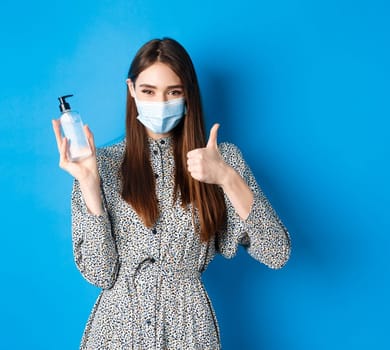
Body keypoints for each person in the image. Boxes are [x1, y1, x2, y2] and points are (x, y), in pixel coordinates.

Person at [51, 37, 291, 349]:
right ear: (132, 90)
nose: (160, 102)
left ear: (188, 94)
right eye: (148, 91)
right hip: (116, 333)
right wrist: (89, 186)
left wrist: (228, 179)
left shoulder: (221, 159)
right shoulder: (101, 165)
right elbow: (101, 274)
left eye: (173, 92)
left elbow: (276, 253)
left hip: (189, 332)